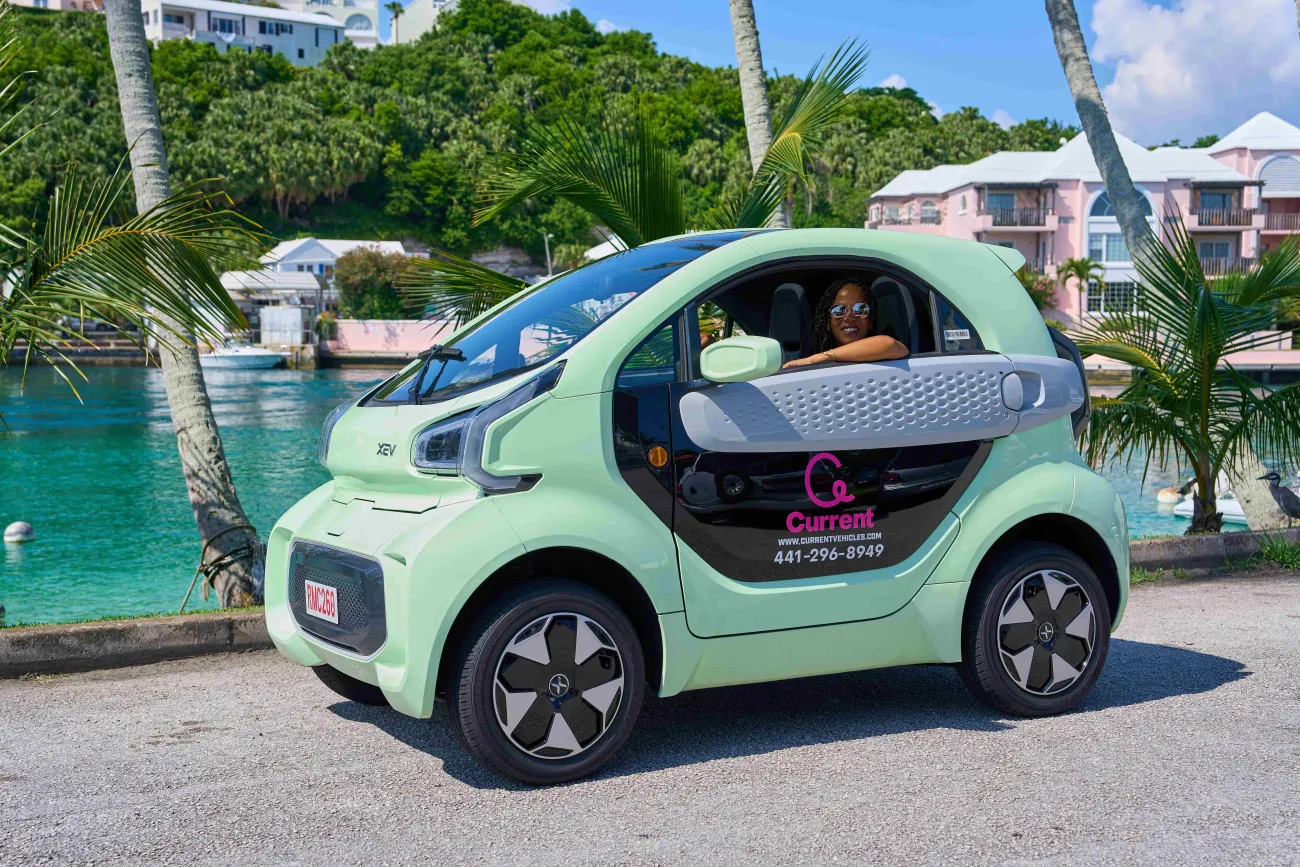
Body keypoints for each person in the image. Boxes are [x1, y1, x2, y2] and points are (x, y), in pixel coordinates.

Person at [782, 277, 910, 368]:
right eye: (839, 310)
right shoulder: (814, 368)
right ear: (828, 322)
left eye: (860, 309)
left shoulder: (884, 356)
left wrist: (821, 358)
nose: (849, 317)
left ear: (870, 321)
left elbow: (891, 345)